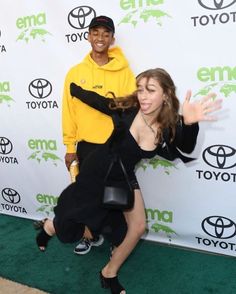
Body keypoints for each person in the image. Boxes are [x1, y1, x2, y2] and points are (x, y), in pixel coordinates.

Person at [36, 68, 222, 294]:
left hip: (122, 175)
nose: (142, 95)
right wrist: (75, 90)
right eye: (140, 89)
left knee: (138, 226)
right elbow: (100, 102)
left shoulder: (167, 125)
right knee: (79, 223)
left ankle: (108, 272)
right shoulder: (129, 109)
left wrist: (191, 123)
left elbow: (187, 146)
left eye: (150, 90)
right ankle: (48, 227)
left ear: (165, 94)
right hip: (97, 171)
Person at [62, 15, 136, 254]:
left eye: (106, 33)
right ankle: (89, 235)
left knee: (113, 198)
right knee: (86, 197)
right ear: (88, 36)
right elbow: (69, 112)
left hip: (114, 146)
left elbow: (129, 110)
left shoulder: (124, 72)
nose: (100, 38)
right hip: (86, 146)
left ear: (112, 38)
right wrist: (69, 146)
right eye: (95, 32)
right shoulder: (75, 72)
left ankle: (116, 241)